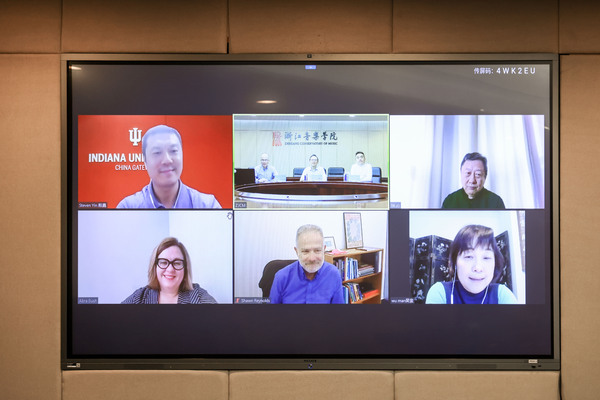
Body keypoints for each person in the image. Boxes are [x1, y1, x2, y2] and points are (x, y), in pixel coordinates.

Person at [117, 124, 221, 209]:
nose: (167, 160)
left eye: (173, 151)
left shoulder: (207, 206)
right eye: (157, 152)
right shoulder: (128, 208)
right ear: (145, 160)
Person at [425, 225, 517, 304]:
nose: (478, 268)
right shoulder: (440, 292)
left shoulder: (502, 295)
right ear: (455, 262)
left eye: (486, 257)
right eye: (468, 256)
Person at [122, 237, 217, 304]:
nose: (170, 269)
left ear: (185, 268)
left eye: (177, 263)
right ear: (154, 266)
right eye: (163, 262)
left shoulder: (199, 296)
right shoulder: (139, 297)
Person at [270, 224, 344, 304]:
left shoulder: (333, 274)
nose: (312, 258)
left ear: (324, 250)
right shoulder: (281, 277)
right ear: (297, 251)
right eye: (305, 251)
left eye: (317, 250)